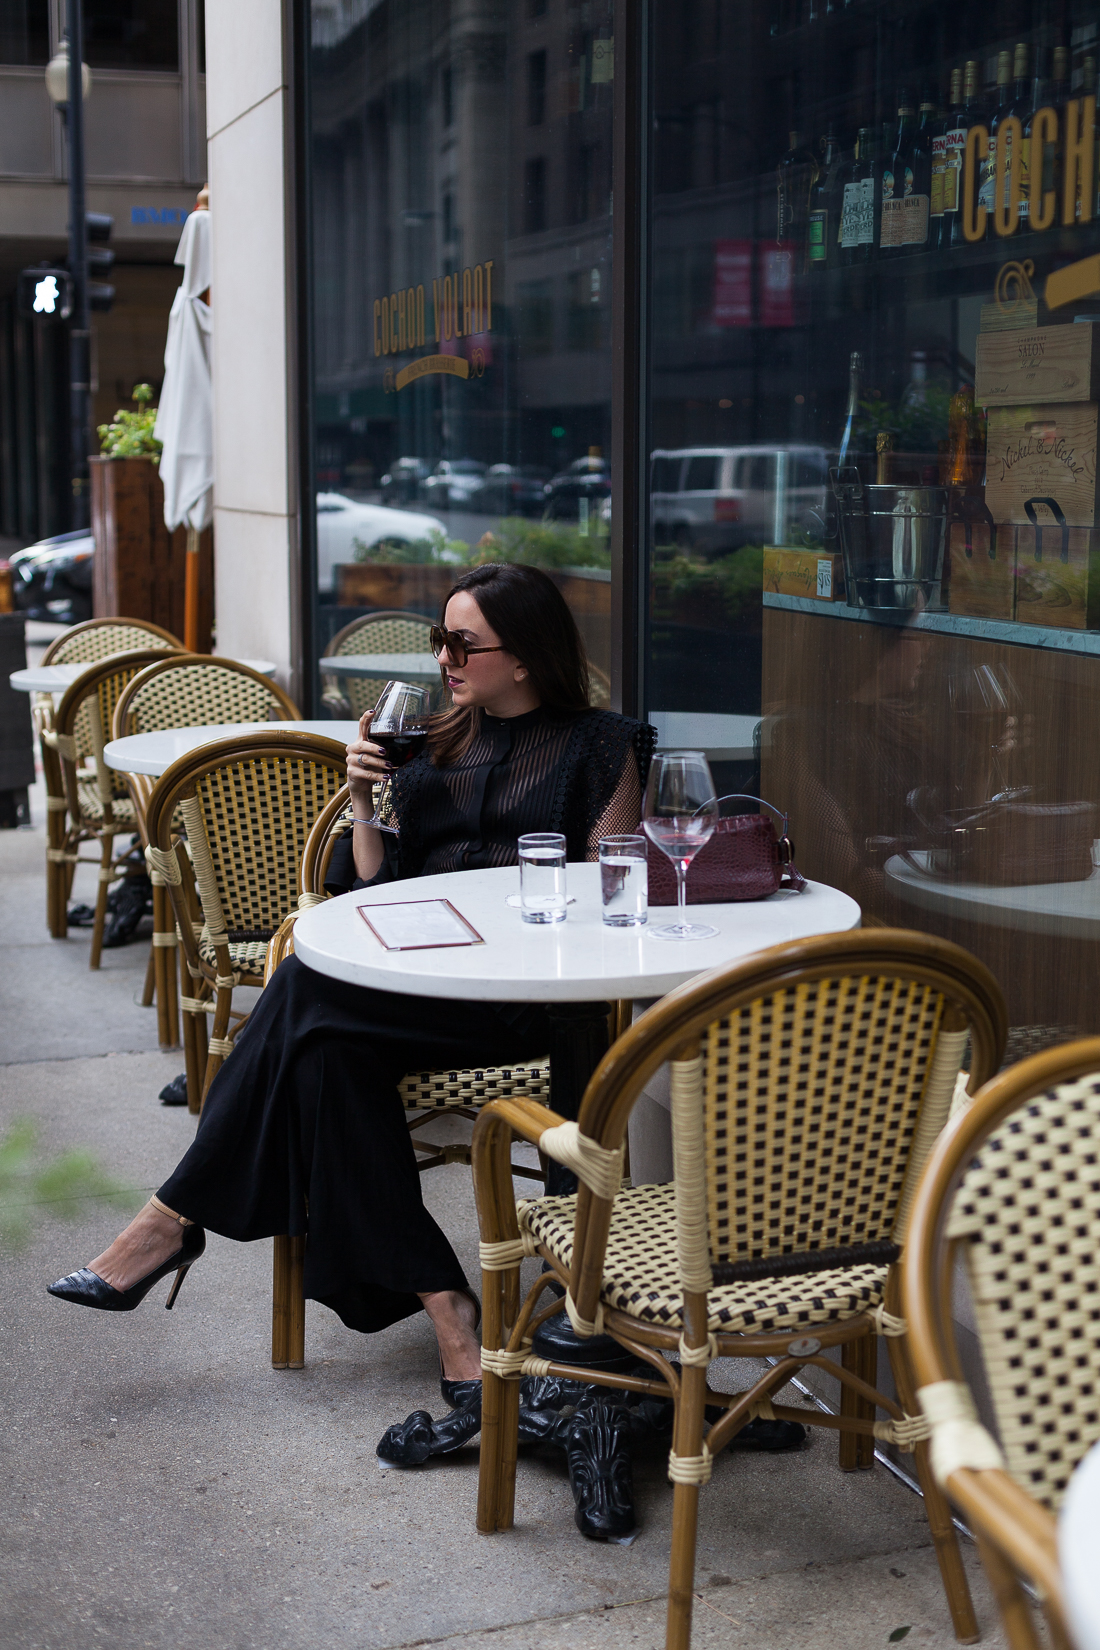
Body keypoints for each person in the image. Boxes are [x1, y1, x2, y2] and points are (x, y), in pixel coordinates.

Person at [47, 562, 655, 1402]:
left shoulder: (603, 745)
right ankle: (448, 1308)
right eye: (440, 639)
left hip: (525, 998)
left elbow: (614, 887)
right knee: (325, 1051)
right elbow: (373, 887)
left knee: (305, 1008)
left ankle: (173, 1220)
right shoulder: (436, 737)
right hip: (417, 985)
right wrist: (363, 800)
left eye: (462, 644)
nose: (443, 658)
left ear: (524, 656)